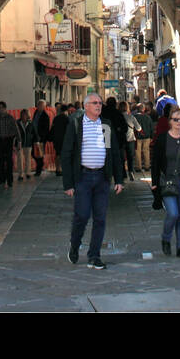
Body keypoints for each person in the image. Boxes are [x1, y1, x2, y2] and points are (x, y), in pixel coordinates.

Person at [60, 93, 126, 269]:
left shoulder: (106, 124)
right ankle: (75, 245)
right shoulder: (76, 124)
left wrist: (119, 179)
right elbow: (66, 153)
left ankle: (94, 255)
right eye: (95, 103)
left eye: (100, 103)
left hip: (102, 178)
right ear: (86, 106)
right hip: (83, 177)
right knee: (81, 215)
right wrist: (68, 183)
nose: (99, 106)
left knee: (100, 218)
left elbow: (114, 152)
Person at [151, 104, 180, 257]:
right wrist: (154, 183)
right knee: (173, 214)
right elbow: (155, 162)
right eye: (176, 120)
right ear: (170, 121)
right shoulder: (163, 139)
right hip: (167, 182)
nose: (179, 123)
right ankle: (166, 238)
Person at [0, 102, 19, 188]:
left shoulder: (10, 118)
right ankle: (1, 181)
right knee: (0, 162)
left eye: (1, 108)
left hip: (8, 140)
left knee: (9, 161)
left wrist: (19, 141)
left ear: (5, 108)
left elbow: (16, 130)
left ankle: (10, 181)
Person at [121, 101, 141, 179]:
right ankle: (131, 172)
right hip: (130, 139)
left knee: (122, 157)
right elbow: (138, 128)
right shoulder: (131, 117)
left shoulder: (118, 117)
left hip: (121, 140)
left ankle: (123, 173)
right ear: (127, 108)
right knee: (130, 157)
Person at [50, 104, 72, 176]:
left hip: (56, 139)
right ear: (66, 110)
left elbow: (52, 128)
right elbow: (69, 130)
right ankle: (63, 169)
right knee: (64, 154)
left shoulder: (56, 118)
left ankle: (57, 169)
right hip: (64, 139)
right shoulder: (67, 118)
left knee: (57, 154)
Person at [134, 101, 155, 174]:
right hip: (147, 137)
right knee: (146, 151)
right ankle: (147, 166)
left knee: (138, 152)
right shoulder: (148, 117)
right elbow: (151, 127)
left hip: (138, 137)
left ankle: (138, 167)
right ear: (143, 109)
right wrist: (152, 136)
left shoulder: (135, 117)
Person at [33, 100, 52, 176]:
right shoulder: (35, 113)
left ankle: (39, 169)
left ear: (44, 107)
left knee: (39, 154)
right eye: (38, 105)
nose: (39, 107)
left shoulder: (45, 116)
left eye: (41, 106)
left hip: (41, 138)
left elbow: (46, 129)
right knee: (33, 153)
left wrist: (42, 138)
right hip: (34, 137)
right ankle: (40, 165)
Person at [16, 108, 35, 181]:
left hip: (28, 143)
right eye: (23, 114)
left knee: (28, 159)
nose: (24, 116)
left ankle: (28, 172)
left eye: (26, 114)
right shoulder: (17, 122)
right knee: (19, 159)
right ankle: (20, 174)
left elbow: (34, 132)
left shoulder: (31, 123)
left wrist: (36, 141)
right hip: (19, 143)